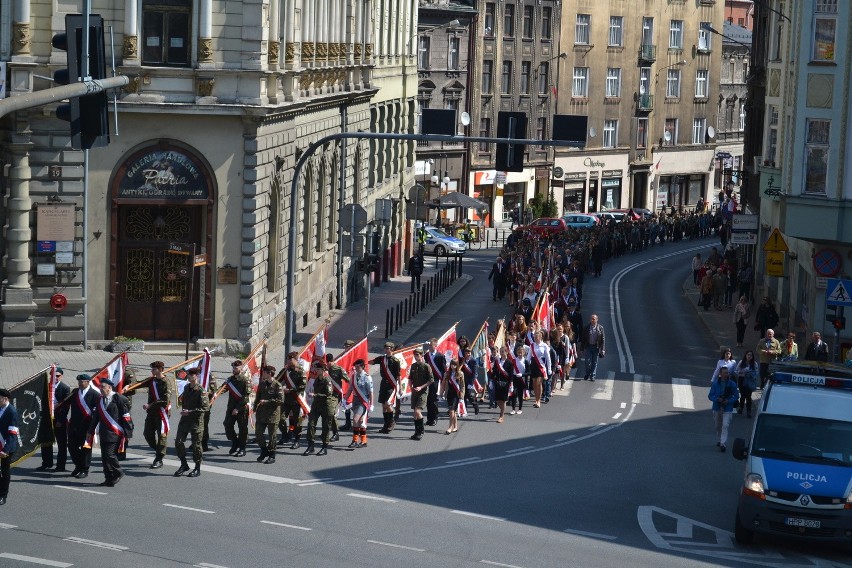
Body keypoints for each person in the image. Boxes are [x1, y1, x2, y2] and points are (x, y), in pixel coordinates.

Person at [87, 378, 133, 487]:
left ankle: (118, 471)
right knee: (104, 458)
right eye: (100, 387)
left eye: (103, 387)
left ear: (109, 388)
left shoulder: (118, 398)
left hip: (115, 432)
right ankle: (108, 478)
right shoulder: (100, 399)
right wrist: (90, 430)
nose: (101, 389)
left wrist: (128, 433)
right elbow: (96, 417)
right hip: (104, 432)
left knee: (109, 454)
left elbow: (126, 415)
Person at [129, 361, 172, 468]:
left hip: (161, 412)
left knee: (162, 436)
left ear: (160, 369)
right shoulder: (152, 380)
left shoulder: (166, 382)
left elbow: (165, 400)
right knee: (147, 434)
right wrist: (128, 386)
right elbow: (140, 384)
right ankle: (158, 450)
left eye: (154, 369)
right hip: (151, 413)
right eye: (152, 369)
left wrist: (150, 405)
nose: (152, 371)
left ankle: (159, 458)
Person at [174, 367, 210, 476]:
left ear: (197, 376)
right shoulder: (186, 387)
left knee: (196, 446)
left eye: (192, 375)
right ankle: (184, 464)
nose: (190, 377)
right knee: (178, 442)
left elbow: (205, 408)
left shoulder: (201, 390)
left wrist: (190, 412)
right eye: (189, 375)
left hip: (196, 422)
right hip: (185, 420)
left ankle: (197, 468)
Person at [67, 374, 101, 479]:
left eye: (82, 382)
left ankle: (84, 469)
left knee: (85, 449)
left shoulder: (94, 394)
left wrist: (92, 428)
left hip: (87, 427)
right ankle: (78, 465)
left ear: (88, 382)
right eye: (79, 382)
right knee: (72, 447)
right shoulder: (75, 393)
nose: (80, 384)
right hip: (74, 425)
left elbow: (96, 414)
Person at [38, 367, 71, 472]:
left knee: (61, 444)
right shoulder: (46, 387)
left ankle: (61, 466)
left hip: (59, 419)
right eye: (53, 375)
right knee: (46, 441)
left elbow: (66, 407)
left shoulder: (65, 388)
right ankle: (47, 463)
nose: (55, 377)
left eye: (57, 375)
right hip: (47, 419)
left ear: (61, 376)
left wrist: (60, 421)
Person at [304, 359, 335, 456]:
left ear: (322, 370)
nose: (316, 371)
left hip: (326, 405)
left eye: (317, 369)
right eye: (315, 369)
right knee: (311, 424)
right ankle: (310, 445)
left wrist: (316, 395)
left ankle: (324, 447)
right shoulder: (316, 380)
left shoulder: (327, 380)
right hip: (316, 405)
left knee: (325, 427)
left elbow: (329, 394)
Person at [252, 365, 282, 464]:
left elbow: (280, 400)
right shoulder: (262, 384)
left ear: (269, 373)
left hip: (272, 415)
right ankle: (264, 451)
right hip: (261, 414)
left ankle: (272, 455)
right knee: (258, 433)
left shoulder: (277, 385)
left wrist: (267, 401)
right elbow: (258, 397)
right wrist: (254, 407)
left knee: (272, 436)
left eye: (264, 372)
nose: (263, 374)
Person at [371, 342, 402, 434]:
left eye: (388, 348)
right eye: (385, 348)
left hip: (391, 384)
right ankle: (386, 424)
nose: (386, 350)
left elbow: (398, 375)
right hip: (383, 383)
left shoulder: (396, 361)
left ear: (392, 349)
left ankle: (392, 421)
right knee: (383, 405)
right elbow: (372, 362)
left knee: (388, 404)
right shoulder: (382, 359)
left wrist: (399, 387)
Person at [222, 360, 250, 457]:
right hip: (231, 407)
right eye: (233, 368)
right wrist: (216, 392)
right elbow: (223, 390)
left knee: (242, 429)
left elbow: (246, 396)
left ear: (241, 368)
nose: (234, 369)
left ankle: (242, 448)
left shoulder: (245, 380)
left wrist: (237, 408)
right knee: (227, 424)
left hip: (241, 409)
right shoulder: (230, 380)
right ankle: (235, 442)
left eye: (236, 368)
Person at [279, 352, 307, 448]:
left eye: (291, 360)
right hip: (286, 400)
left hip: (296, 400)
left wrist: (289, 390)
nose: (289, 362)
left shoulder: (300, 371)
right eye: (288, 360)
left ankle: (297, 440)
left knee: (297, 422)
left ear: (296, 360)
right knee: (280, 419)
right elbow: (277, 380)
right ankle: (285, 436)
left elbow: (302, 386)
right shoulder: (285, 370)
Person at [708, 367, 739, 452]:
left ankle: (723, 444)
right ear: (720, 374)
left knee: (725, 425)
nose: (726, 374)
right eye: (724, 373)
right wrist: (717, 399)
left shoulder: (732, 384)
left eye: (727, 373)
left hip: (727, 408)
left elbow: (736, 396)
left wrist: (728, 401)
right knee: (718, 426)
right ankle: (720, 438)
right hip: (717, 407)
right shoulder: (715, 384)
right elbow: (710, 395)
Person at [344, 359, 373, 448]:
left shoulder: (367, 377)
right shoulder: (353, 376)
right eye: (355, 367)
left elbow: (371, 392)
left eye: (358, 367)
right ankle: (364, 441)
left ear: (362, 367)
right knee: (360, 422)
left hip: (363, 401)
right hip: (355, 400)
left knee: (356, 419)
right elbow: (350, 389)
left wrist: (371, 404)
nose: (356, 368)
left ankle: (354, 440)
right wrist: (345, 399)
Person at [407, 347, 433, 440]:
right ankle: (416, 431)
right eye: (415, 355)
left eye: (417, 355)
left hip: (423, 391)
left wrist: (421, 387)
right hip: (415, 392)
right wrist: (410, 387)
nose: (416, 356)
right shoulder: (413, 366)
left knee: (418, 411)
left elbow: (431, 380)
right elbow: (410, 378)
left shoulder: (426, 366)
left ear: (421, 356)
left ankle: (421, 431)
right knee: (415, 413)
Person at [0, 388, 20, 505]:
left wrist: (5, 450)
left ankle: (3, 495)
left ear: (5, 399)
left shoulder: (12, 412)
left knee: (4, 472)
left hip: (6, 447)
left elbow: (12, 433)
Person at [325, 353, 349, 443]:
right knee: (326, 414)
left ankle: (336, 433)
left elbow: (348, 380)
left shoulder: (339, 369)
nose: (326, 364)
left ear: (330, 361)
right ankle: (325, 432)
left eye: (327, 362)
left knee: (332, 413)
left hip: (335, 395)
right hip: (326, 395)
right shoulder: (325, 370)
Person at [424, 338, 446, 426]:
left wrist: (443, 382)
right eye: (429, 345)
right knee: (428, 400)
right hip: (427, 381)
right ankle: (429, 418)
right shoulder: (426, 356)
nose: (429, 347)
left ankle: (435, 417)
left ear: (435, 346)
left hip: (436, 380)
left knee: (433, 400)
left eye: (431, 345)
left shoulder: (440, 356)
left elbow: (444, 370)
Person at [526, 331, 551, 408]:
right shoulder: (532, 345)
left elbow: (548, 358)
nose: (535, 338)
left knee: (538, 383)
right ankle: (536, 400)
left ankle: (539, 400)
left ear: (540, 337)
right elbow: (528, 357)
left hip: (541, 366)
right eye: (534, 337)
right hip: (533, 365)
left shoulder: (544, 346)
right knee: (534, 384)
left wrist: (549, 369)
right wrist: (526, 365)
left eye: (537, 337)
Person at [440, 359, 464, 434]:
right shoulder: (447, 373)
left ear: (457, 365)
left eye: (455, 365)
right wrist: (441, 392)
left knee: (451, 411)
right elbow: (443, 383)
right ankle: (455, 426)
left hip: (456, 394)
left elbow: (462, 385)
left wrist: (462, 395)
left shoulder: (460, 373)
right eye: (452, 364)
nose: (453, 366)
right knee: (453, 411)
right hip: (449, 393)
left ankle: (450, 427)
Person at [338, 339, 357, 432]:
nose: (345, 348)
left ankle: (358, 422)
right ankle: (348, 423)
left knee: (354, 405)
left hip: (354, 386)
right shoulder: (343, 356)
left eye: (347, 346)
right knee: (346, 405)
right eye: (345, 346)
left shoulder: (355, 357)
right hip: (345, 385)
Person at [581, 314, 605, 382]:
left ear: (597, 320)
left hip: (596, 347)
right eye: (591, 319)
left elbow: (603, 339)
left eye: (593, 319)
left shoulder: (600, 328)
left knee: (594, 362)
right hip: (588, 346)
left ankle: (593, 375)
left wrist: (602, 349)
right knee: (587, 362)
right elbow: (583, 339)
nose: (592, 320)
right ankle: (587, 373)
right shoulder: (586, 328)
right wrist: (582, 349)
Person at [491, 346, 511, 423]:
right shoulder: (497, 361)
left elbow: (511, 375)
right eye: (501, 351)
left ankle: (501, 415)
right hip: (498, 382)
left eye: (503, 351)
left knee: (503, 400)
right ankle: (502, 410)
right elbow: (495, 372)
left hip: (505, 384)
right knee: (498, 400)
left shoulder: (509, 362)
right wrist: (491, 380)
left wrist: (511, 384)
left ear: (506, 352)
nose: (502, 353)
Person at [736, 351, 759, 418]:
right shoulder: (741, 362)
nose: (749, 356)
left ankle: (749, 412)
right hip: (742, 380)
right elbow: (737, 371)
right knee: (743, 395)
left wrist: (751, 374)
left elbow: (756, 373)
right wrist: (742, 372)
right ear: (745, 355)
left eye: (750, 355)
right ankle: (741, 408)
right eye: (748, 355)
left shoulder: (754, 363)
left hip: (750, 381)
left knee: (748, 396)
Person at [459, 348, 480, 415]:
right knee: (463, 396)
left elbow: (474, 373)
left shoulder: (474, 361)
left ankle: (475, 405)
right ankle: (465, 410)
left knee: (469, 396)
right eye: (466, 353)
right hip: (463, 381)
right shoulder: (462, 360)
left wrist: (471, 383)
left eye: (469, 353)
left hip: (470, 381)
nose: (468, 354)